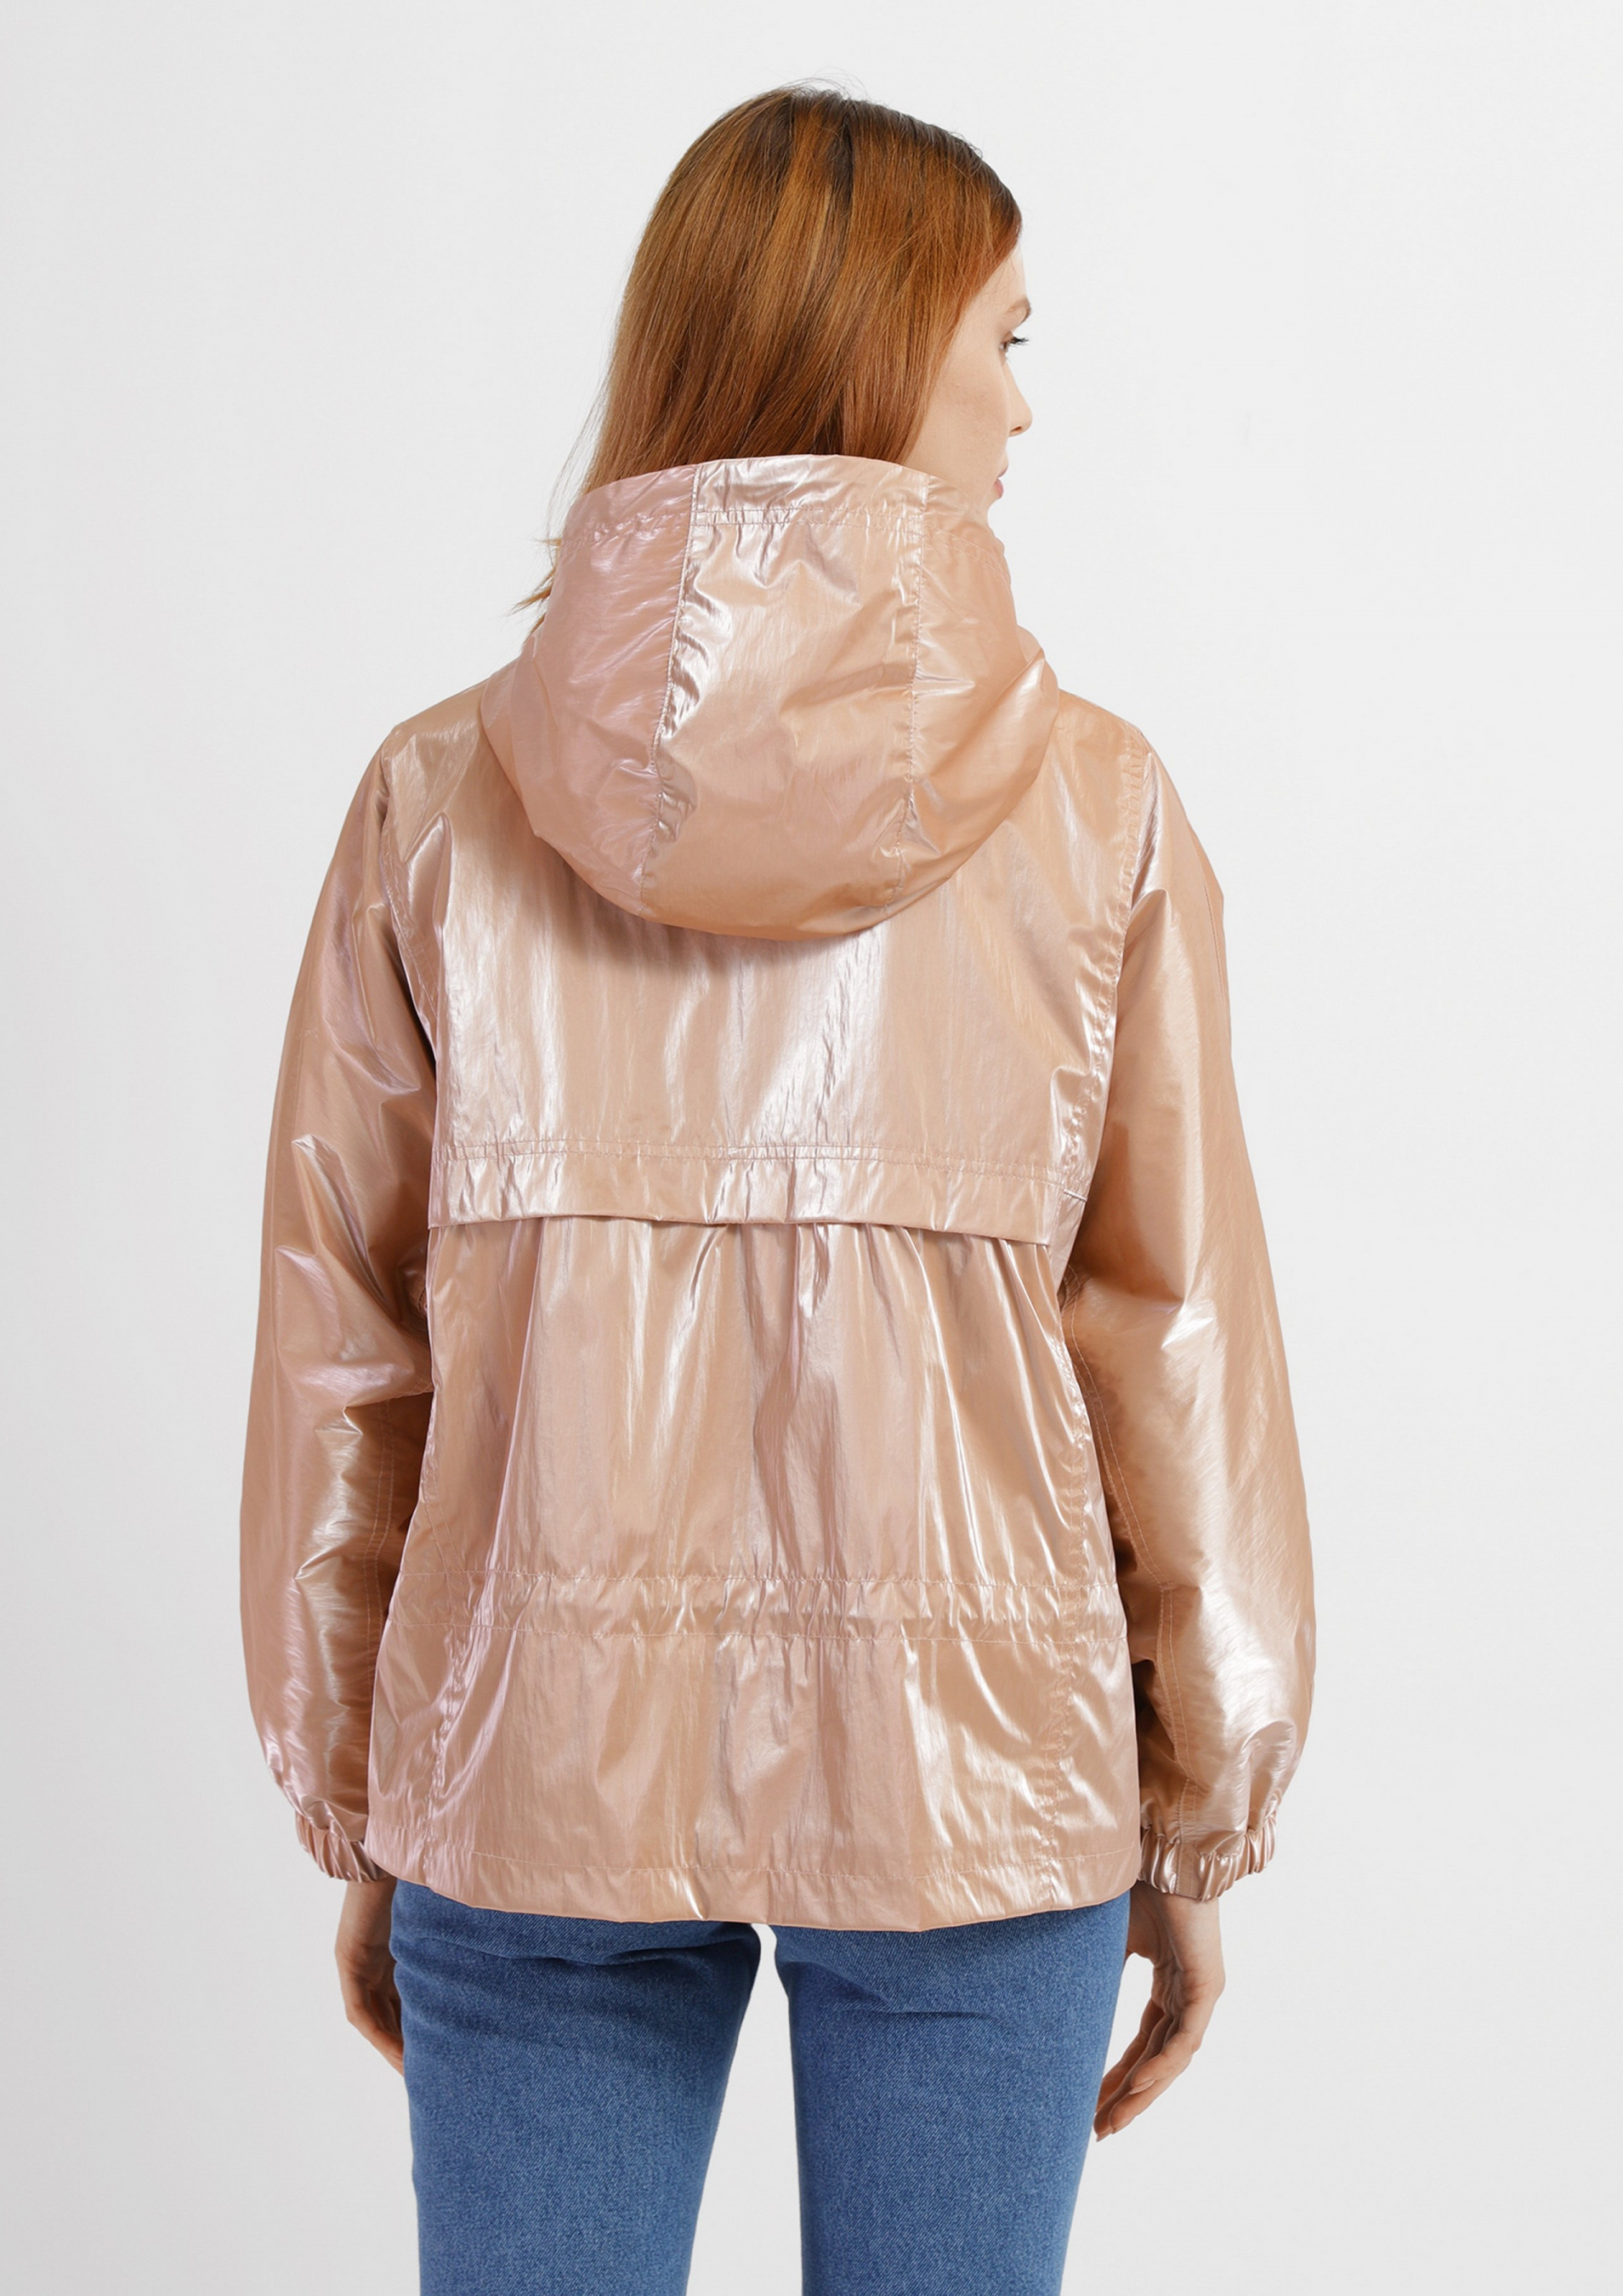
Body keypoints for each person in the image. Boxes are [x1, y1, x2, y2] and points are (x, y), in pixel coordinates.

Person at [240, 83, 1315, 2296]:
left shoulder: (435, 802)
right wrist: (1193, 1812)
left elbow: (343, 1347)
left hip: (526, 1754)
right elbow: (1168, 1340)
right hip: (980, 1775)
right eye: (1006, 339)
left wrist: (367, 1789)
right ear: (881, 343)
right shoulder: (1098, 810)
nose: (1026, 406)